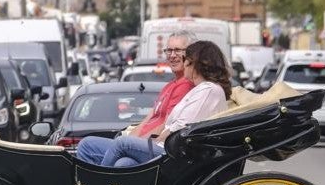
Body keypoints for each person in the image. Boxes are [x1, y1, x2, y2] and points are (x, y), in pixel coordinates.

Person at [78, 40, 232, 168]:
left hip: (175, 152)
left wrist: (158, 137)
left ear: (196, 64)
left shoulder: (209, 90)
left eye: (186, 60)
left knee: (122, 143)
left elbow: (183, 126)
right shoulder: (202, 89)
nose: (183, 64)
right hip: (170, 147)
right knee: (123, 163)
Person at [74, 30, 196, 165]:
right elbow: (148, 120)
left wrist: (136, 142)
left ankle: (98, 184)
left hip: (158, 146)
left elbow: (167, 126)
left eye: (178, 50)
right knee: (93, 147)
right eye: (169, 50)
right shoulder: (169, 86)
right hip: (143, 144)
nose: (172, 55)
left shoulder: (185, 85)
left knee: (103, 150)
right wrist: (132, 140)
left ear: (190, 54)